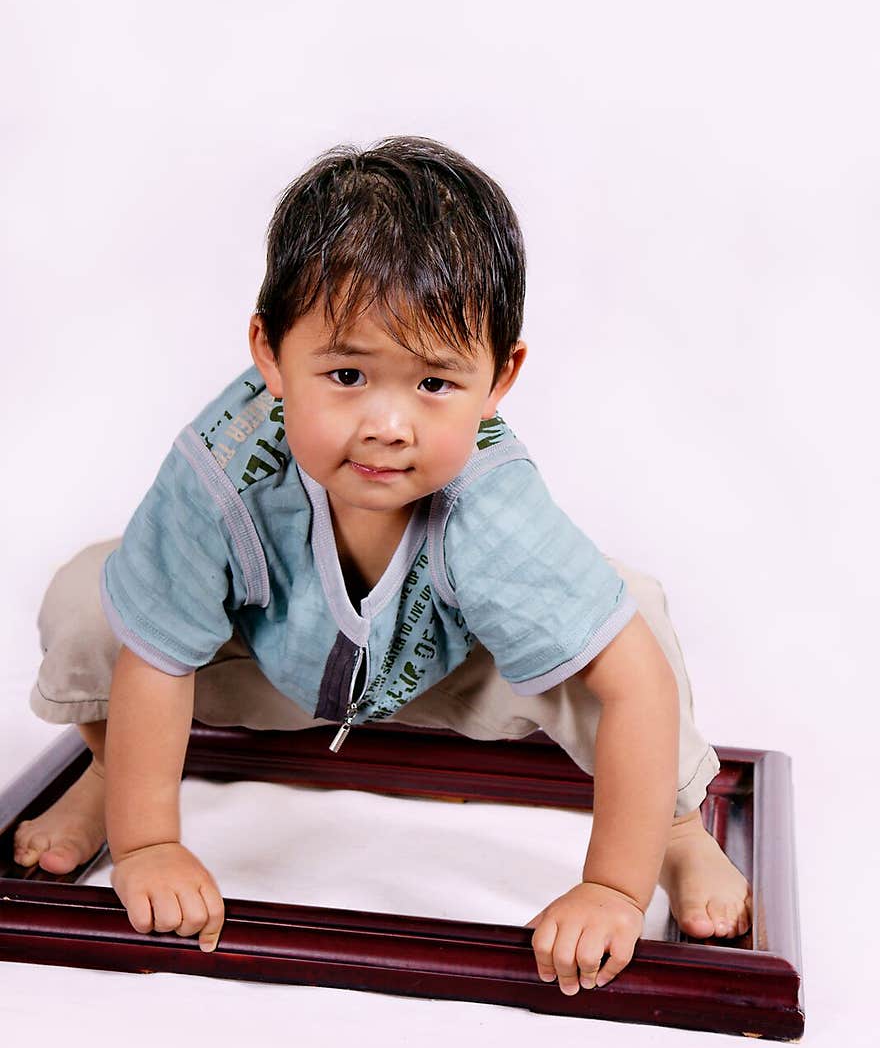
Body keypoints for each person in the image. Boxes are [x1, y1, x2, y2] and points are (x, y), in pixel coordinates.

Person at [18, 135, 751, 995]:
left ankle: (672, 830)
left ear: (499, 380)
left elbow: (635, 685)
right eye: (347, 373)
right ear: (270, 355)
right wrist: (150, 845)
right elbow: (159, 652)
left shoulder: (488, 500)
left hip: (461, 675)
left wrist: (611, 888)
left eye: (435, 384)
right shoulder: (222, 469)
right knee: (95, 595)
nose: (389, 424)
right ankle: (113, 773)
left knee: (631, 614)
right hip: (270, 663)